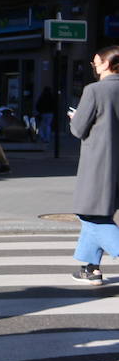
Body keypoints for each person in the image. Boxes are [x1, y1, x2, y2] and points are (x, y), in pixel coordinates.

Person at [69, 47, 119, 285]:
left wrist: (75, 117)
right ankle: (91, 268)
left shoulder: (95, 90)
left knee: (90, 213)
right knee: (99, 212)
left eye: (96, 63)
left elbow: (78, 129)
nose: (94, 66)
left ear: (107, 64)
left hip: (100, 161)